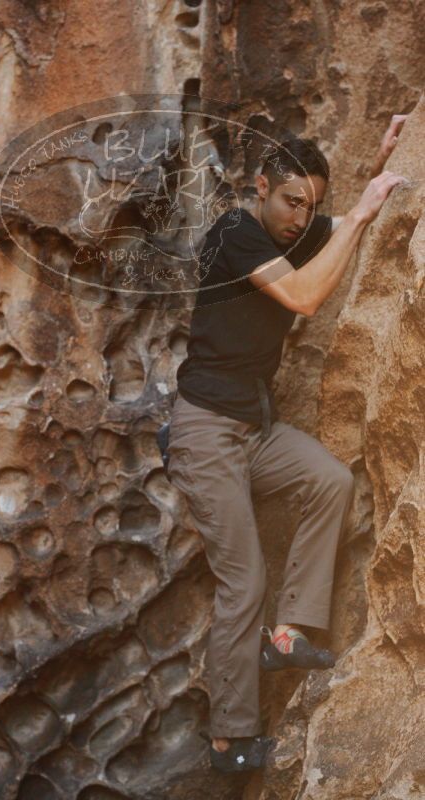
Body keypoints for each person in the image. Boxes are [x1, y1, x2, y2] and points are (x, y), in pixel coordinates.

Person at [165, 119, 408, 774]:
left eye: (310, 205)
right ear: (261, 188)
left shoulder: (289, 238)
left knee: (329, 480)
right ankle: (229, 740)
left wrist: (383, 159)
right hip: (206, 432)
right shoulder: (237, 235)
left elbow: (333, 239)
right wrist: (357, 210)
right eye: (289, 201)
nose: (300, 218)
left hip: (255, 429)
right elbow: (304, 296)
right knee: (243, 579)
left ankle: (289, 633)